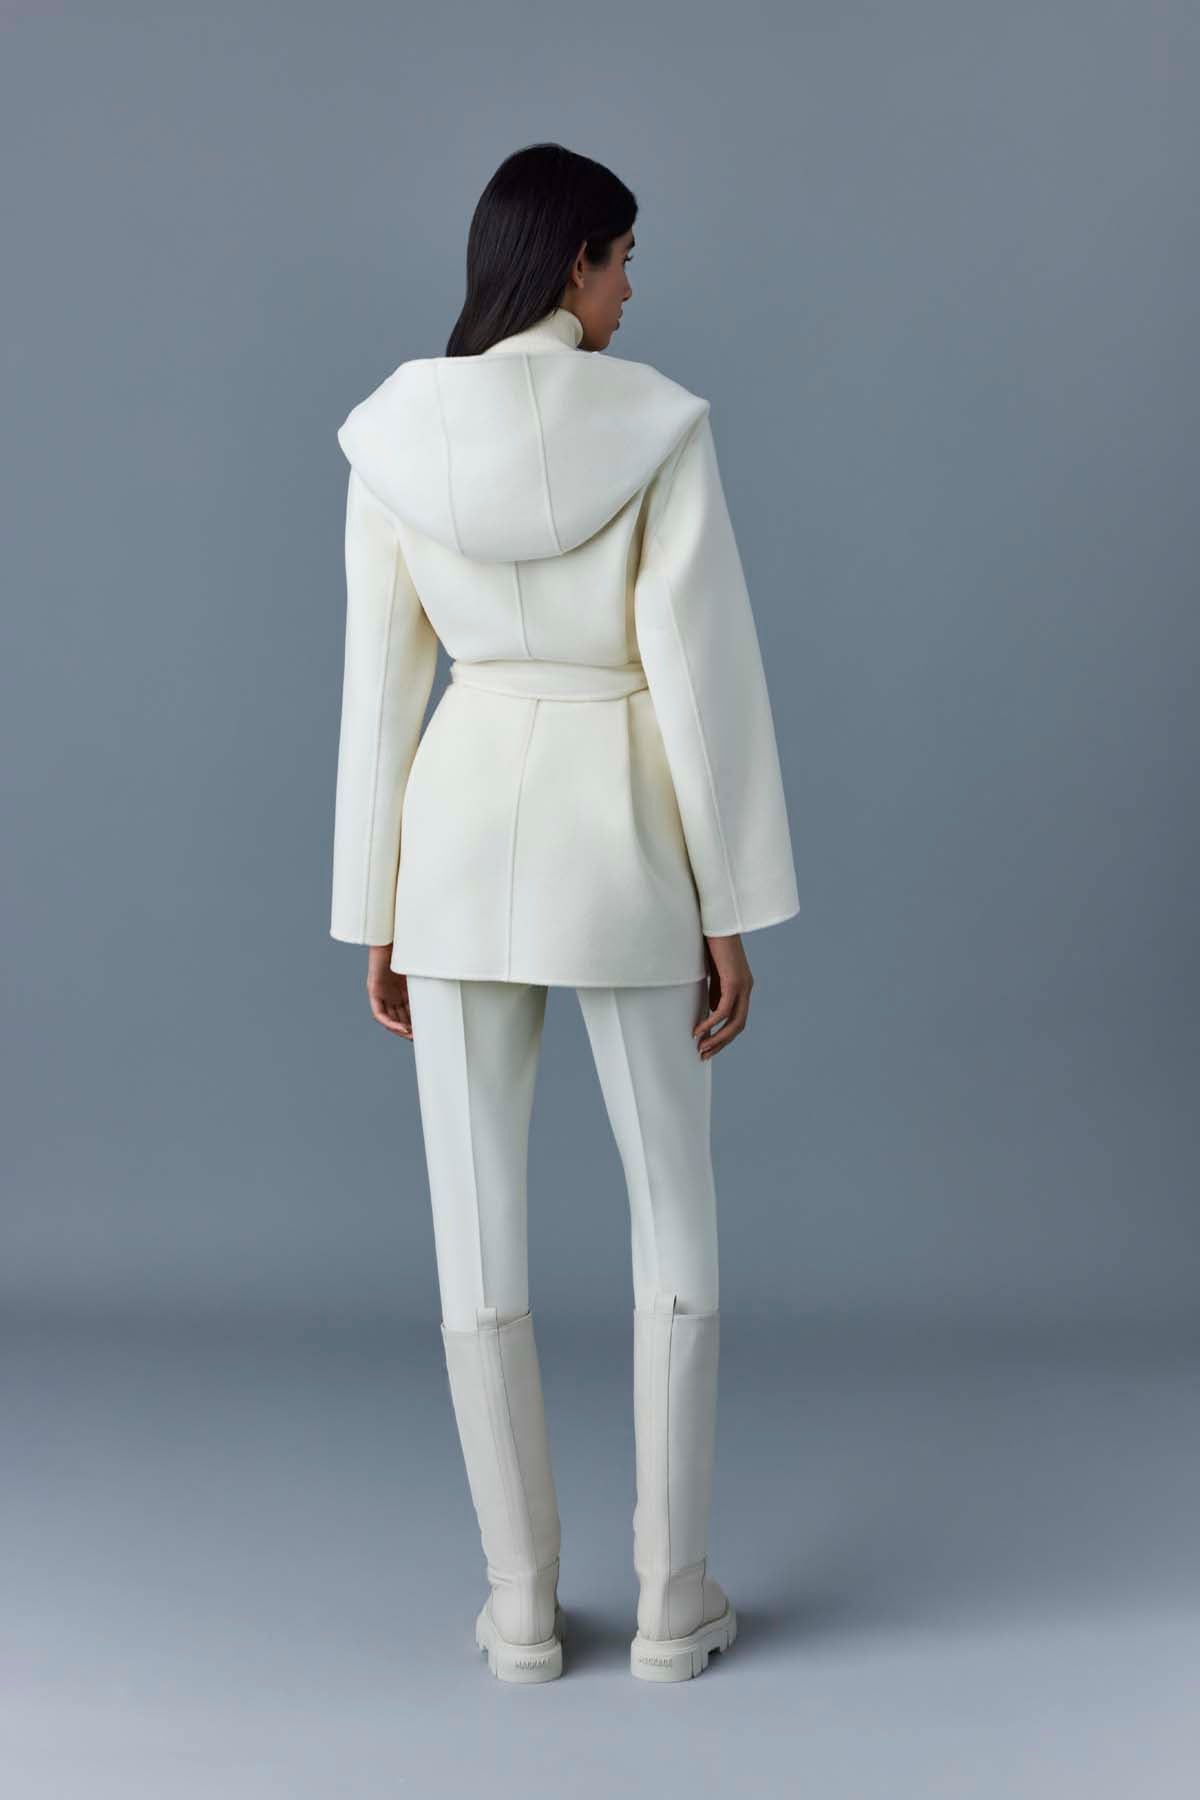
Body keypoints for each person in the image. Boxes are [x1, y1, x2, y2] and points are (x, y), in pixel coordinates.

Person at [329, 142, 799, 1684]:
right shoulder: (655, 424)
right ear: (575, 263)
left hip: (458, 838)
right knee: (677, 1218)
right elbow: (699, 677)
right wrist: (730, 903)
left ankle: (520, 1605)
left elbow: (381, 688)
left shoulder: (396, 434)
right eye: (624, 259)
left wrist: (374, 905)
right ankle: (674, 1596)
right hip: (625, 834)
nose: (631, 290)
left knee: (474, 1236)